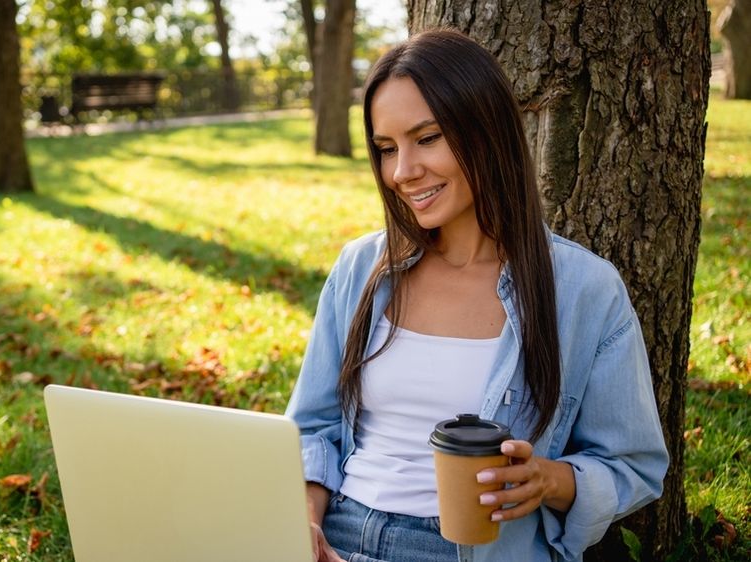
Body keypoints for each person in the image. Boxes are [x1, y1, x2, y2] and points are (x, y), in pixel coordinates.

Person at [284, 28, 669, 562]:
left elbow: (633, 465)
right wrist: (303, 527)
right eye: (386, 149)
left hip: (464, 549)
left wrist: (547, 481)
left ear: (486, 129)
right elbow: (312, 429)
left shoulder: (583, 290)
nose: (402, 172)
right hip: (336, 535)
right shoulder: (362, 268)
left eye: (428, 138)